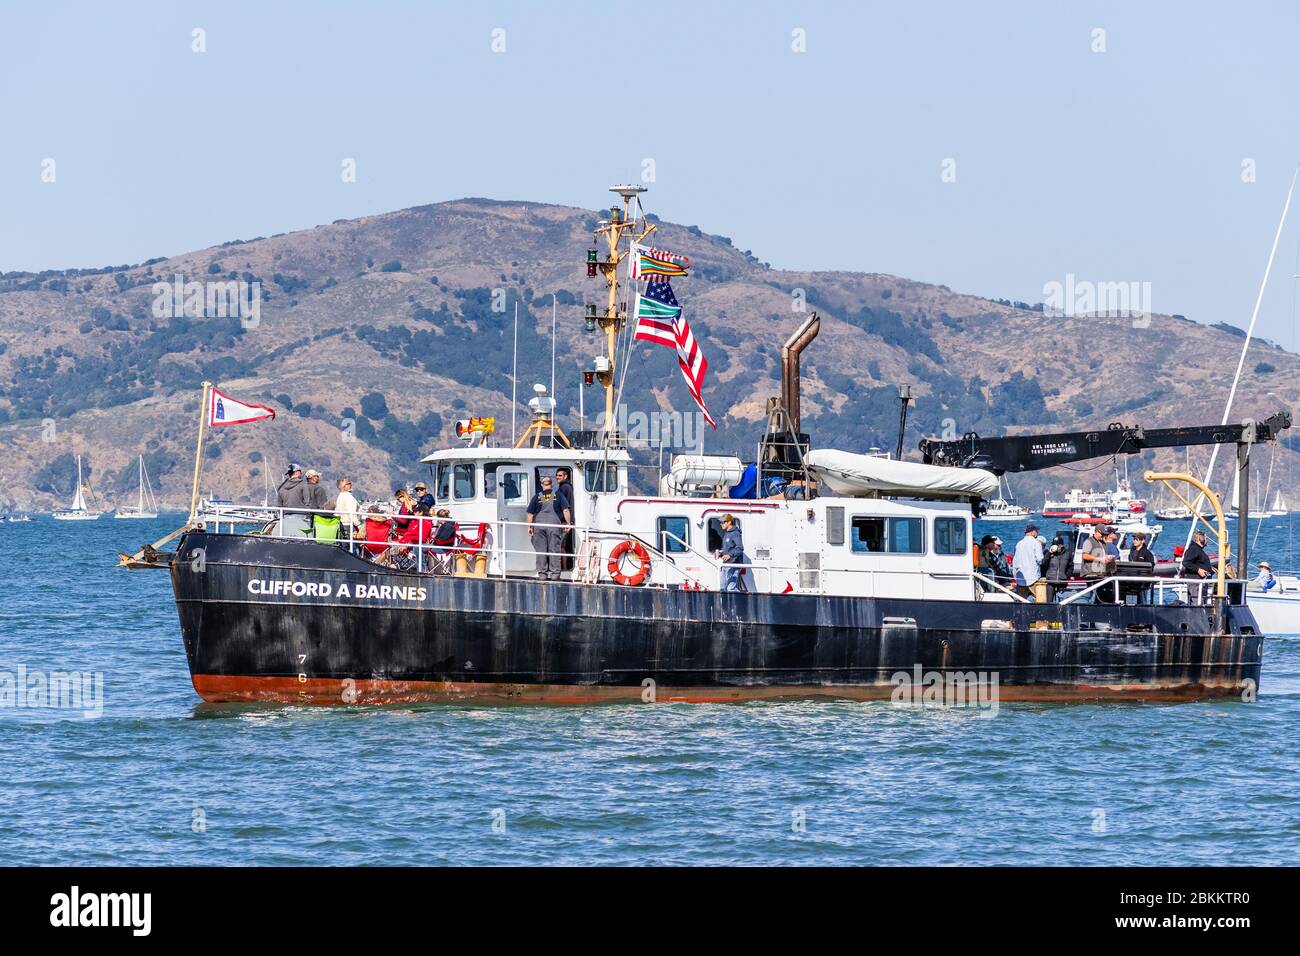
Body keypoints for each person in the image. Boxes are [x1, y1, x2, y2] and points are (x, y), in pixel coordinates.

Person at [526, 475, 571, 580]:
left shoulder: (536, 497)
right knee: (554, 550)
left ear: (542, 485)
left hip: (539, 527)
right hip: (553, 526)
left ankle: (542, 574)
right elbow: (566, 510)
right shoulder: (558, 495)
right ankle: (555, 575)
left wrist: (529, 526)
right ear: (551, 485)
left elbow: (530, 514)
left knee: (541, 551)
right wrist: (568, 523)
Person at [275, 463, 311, 537]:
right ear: (297, 472)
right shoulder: (303, 484)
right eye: (300, 472)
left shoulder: (281, 487)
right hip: (301, 519)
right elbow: (307, 502)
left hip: (285, 519)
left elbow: (279, 506)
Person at [1011, 523, 1045, 600]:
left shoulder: (1019, 544)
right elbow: (1040, 559)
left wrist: (1015, 575)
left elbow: (1015, 561)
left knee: (1021, 601)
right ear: (1033, 532)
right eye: (1036, 531)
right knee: (1040, 599)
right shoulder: (1036, 543)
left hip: (1021, 578)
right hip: (1033, 577)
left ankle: (1021, 612)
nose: (1037, 532)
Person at [718, 513, 750, 593]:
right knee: (723, 588)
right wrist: (721, 553)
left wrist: (729, 555)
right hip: (726, 564)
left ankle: (737, 604)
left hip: (733, 564)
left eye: (723, 522)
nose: (721, 524)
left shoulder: (735, 533)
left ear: (729, 522)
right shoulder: (727, 534)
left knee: (731, 588)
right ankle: (725, 604)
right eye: (721, 522)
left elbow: (740, 548)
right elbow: (729, 548)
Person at [1182, 529, 1215, 605]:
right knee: (1197, 603)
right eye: (1206, 538)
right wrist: (1198, 569)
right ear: (1201, 539)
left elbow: (1198, 563)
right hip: (1195, 582)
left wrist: (1210, 568)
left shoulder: (1199, 550)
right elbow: (1186, 562)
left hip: (1201, 582)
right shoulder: (1194, 549)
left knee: (1201, 601)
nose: (1207, 540)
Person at [1040, 534, 1073, 602]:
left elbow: (1070, 566)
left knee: (1062, 602)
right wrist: (1049, 554)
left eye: (1057, 545)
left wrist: (1066, 576)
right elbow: (1043, 564)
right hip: (1050, 581)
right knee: (1049, 601)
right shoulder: (1048, 553)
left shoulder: (1067, 554)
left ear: (1061, 545)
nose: (1055, 546)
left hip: (1062, 581)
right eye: (1053, 545)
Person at [555, 467, 576, 571]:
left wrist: (564, 520)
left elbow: (564, 506)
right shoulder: (567, 487)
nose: (557, 477)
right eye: (557, 475)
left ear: (565, 476)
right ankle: (564, 567)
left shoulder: (564, 488)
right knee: (562, 546)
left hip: (564, 521)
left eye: (560, 475)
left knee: (560, 546)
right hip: (566, 520)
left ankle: (563, 568)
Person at [1127, 531, 1155, 604]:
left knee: (1142, 601)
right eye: (1134, 539)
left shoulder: (1147, 553)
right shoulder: (1131, 552)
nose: (1134, 541)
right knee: (1131, 602)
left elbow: (1151, 567)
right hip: (1132, 582)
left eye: (1137, 539)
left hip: (1142, 583)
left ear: (1143, 541)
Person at [430, 508, 457, 574]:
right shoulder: (446, 525)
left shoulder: (448, 526)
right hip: (442, 546)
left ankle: (422, 569)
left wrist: (433, 540)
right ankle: (426, 569)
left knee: (420, 547)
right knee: (421, 547)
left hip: (443, 548)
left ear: (441, 518)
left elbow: (442, 539)